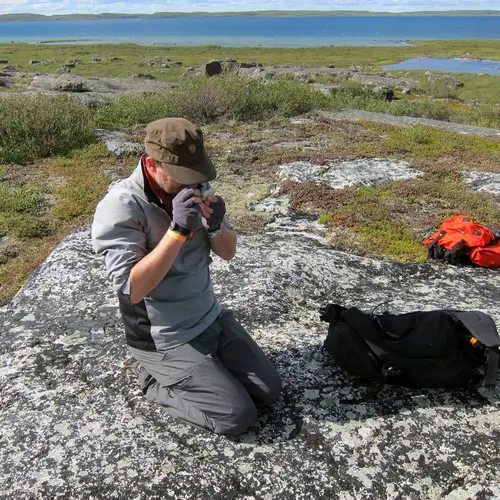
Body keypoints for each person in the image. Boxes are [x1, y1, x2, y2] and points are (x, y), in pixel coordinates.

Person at [92, 117, 281, 435]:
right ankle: (152, 379)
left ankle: (204, 371)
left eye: (196, 176)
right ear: (152, 165)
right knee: (236, 417)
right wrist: (177, 231)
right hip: (166, 338)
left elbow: (228, 252)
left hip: (210, 318)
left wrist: (217, 226)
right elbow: (132, 288)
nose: (193, 185)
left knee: (270, 391)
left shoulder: (196, 187)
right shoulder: (122, 207)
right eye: (182, 177)